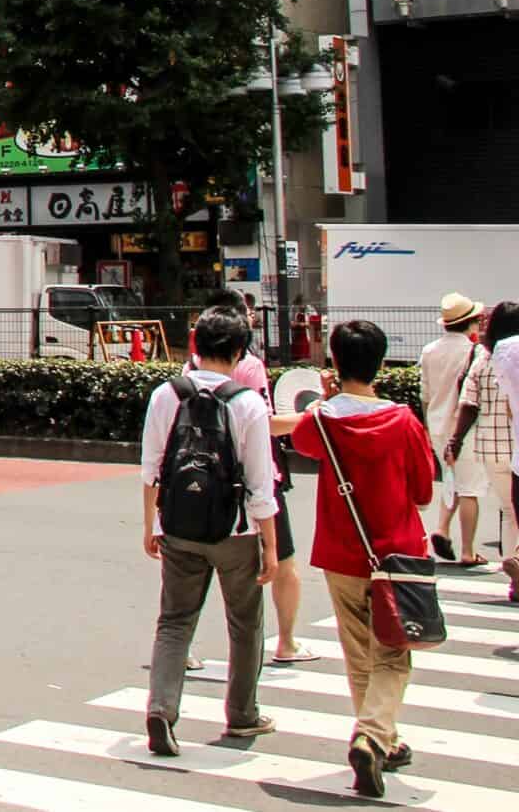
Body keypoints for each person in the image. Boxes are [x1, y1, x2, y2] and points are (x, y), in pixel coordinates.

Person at [288, 319, 436, 798]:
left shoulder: (322, 420)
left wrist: (327, 396)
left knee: (359, 655)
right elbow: (421, 490)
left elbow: (304, 444)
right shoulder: (404, 421)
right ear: (382, 362)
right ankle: (373, 736)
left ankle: (381, 739)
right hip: (397, 553)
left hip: (341, 551)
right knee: (394, 654)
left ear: (334, 362)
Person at [141, 307, 281, 757]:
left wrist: (152, 525)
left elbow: (151, 468)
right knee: (244, 623)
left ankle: (161, 709)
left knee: (175, 621)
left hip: (178, 526)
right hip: (234, 532)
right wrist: (271, 546)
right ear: (240, 353)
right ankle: (242, 714)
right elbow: (262, 484)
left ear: (195, 347)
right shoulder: (248, 403)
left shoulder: (166, 394)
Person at [195, 291, 314, 666]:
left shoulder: (190, 371)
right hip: (255, 475)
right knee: (284, 562)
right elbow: (263, 423)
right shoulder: (247, 366)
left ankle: (183, 645)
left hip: (205, 478)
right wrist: (309, 418)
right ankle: (287, 641)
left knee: (197, 569)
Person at [445, 300, 519, 601]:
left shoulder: (482, 359)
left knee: (506, 511)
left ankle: (514, 578)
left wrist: (455, 440)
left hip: (489, 447)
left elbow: (468, 403)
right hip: (514, 445)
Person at [421, 293, 489, 566]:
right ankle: (468, 551)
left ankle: (441, 528)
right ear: (471, 323)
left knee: (453, 481)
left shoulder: (429, 350)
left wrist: (428, 426)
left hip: (437, 426)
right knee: (470, 489)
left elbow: (425, 394)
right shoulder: (476, 352)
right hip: (466, 428)